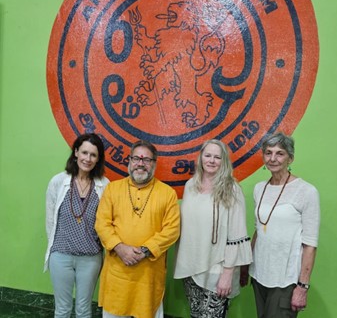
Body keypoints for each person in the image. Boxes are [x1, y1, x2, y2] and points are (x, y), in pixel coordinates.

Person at [95, 139, 180, 318]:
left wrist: (144, 251)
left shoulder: (167, 193)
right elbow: (102, 223)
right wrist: (120, 248)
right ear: (130, 161)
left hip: (148, 277)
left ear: (154, 164)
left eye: (147, 160)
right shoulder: (112, 189)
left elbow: (172, 230)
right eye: (136, 159)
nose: (141, 164)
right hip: (117, 274)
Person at [174, 139, 253, 317]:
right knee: (196, 315)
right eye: (208, 155)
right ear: (200, 158)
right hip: (190, 268)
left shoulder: (232, 189)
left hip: (217, 270)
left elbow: (237, 234)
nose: (211, 160)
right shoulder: (190, 186)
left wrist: (227, 274)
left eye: (217, 157)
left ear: (223, 161)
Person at [248, 132, 320, 317]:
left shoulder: (306, 191)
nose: (273, 158)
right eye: (268, 152)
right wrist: (245, 267)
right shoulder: (259, 188)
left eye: (280, 153)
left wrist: (302, 287)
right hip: (259, 275)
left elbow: (310, 245)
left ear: (290, 158)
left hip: (286, 280)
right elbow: (259, 230)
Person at [44, 133, 109, 318]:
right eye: (84, 152)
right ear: (75, 153)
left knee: (83, 310)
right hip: (61, 256)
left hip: (90, 259)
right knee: (62, 310)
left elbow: (107, 221)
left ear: (98, 159)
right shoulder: (58, 181)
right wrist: (55, 249)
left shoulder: (104, 185)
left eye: (93, 155)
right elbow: (50, 220)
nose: (87, 159)